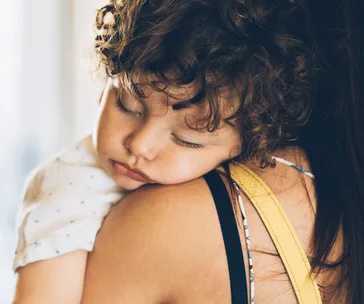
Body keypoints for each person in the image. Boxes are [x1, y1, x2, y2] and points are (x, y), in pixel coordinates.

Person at [13, 0, 364, 303]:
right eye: (127, 104)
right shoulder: (68, 191)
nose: (139, 145)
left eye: (187, 140)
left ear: (245, 148)